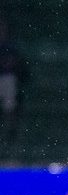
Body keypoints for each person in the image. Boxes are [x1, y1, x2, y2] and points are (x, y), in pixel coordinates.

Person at [0, 14, 27, 142]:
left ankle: (11, 130)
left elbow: (14, 63)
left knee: (9, 83)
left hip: (7, 78)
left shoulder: (10, 46)